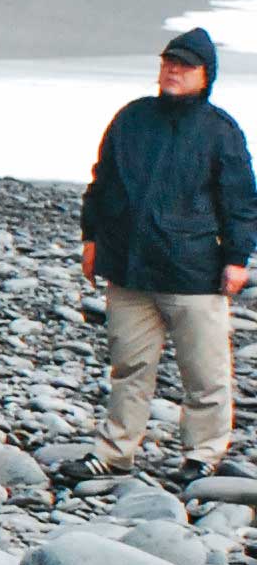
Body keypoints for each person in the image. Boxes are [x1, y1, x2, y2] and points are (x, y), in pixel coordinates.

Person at [81, 25, 255, 478]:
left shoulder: (221, 131)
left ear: (205, 74)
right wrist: (91, 239)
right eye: (169, 62)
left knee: (205, 373)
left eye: (185, 65)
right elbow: (102, 182)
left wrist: (237, 259)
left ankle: (203, 454)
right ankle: (113, 453)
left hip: (193, 271)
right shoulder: (131, 119)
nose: (174, 70)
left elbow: (240, 201)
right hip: (129, 269)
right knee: (129, 368)